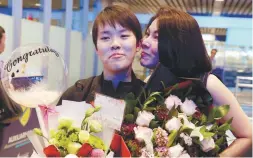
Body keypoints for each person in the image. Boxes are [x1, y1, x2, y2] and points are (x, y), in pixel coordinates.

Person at [140, 7, 252, 157]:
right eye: (147, 34)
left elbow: (248, 136)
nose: (144, 42)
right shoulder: (148, 84)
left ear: (177, 44)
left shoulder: (208, 84)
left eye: (156, 37)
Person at [58, 5, 144, 104]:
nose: (115, 44)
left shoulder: (151, 99)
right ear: (96, 48)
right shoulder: (75, 95)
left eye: (124, 36)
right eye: (105, 38)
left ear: (138, 44)